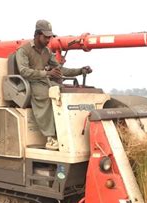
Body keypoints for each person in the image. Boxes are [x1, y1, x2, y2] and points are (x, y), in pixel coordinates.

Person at [16, 19, 92, 150]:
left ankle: (64, 132)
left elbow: (60, 69)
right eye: (46, 37)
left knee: (61, 92)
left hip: (45, 81)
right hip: (28, 83)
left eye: (50, 37)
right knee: (45, 95)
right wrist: (47, 74)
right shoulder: (23, 50)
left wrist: (80, 71)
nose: (48, 40)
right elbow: (24, 71)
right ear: (37, 34)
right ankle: (50, 137)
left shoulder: (47, 51)